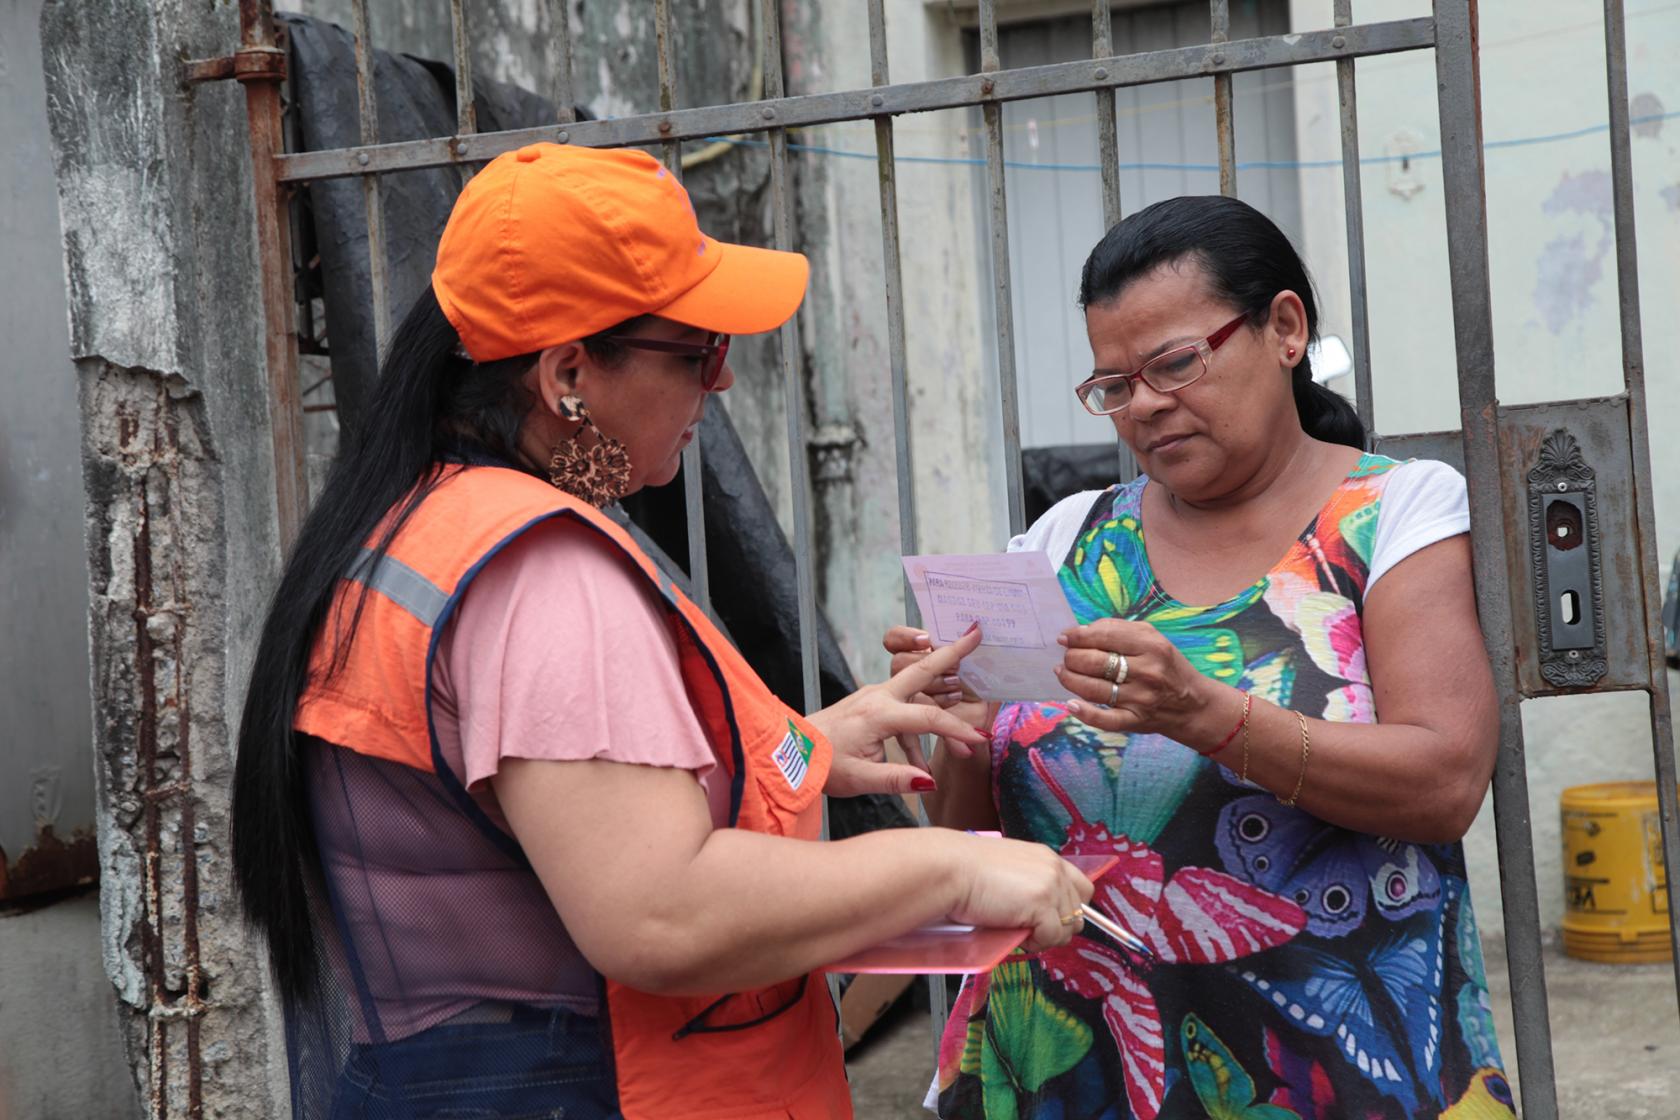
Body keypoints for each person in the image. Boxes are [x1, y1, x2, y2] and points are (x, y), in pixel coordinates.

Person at [229, 142, 1095, 1120]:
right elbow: (658, 909)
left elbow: (549, 804)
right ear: (567, 374)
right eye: (698, 353)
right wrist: (961, 863)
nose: (719, 386)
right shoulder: (543, 573)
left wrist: (806, 744)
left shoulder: (422, 524)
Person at [890, 195, 1514, 1120]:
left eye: (1174, 363)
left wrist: (1205, 714)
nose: (1142, 405)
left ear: (1285, 330)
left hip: (1329, 1070)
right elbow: (969, 841)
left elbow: (1446, 781)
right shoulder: (1066, 541)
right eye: (1114, 386)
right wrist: (961, 730)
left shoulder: (1397, 513)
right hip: (1066, 1065)